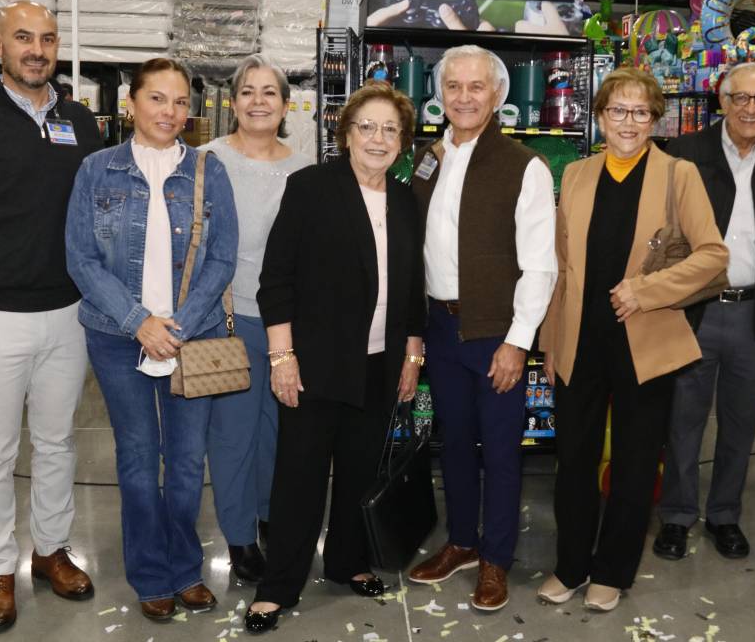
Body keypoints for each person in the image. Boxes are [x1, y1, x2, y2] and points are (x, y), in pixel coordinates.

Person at [0, 1, 100, 633]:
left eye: (48, 38)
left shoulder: (80, 121)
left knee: (58, 442)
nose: (37, 48)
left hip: (69, 315)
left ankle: (50, 550)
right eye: (24, 37)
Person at [536, 67, 728, 611]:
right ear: (598, 117)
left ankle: (612, 571)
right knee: (572, 460)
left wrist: (648, 290)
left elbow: (714, 256)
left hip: (644, 341)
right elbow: (563, 268)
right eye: (617, 110)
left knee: (635, 462)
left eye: (640, 112)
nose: (628, 121)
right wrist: (552, 343)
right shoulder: (576, 174)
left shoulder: (677, 175)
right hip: (579, 341)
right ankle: (570, 564)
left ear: (655, 119)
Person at [242, 82, 426, 633]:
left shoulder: (405, 199)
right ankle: (279, 586)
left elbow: (412, 284)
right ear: (345, 134)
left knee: (358, 472)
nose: (378, 138)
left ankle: (348, 562)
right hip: (315, 363)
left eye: (390, 129)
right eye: (366, 126)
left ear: (403, 142)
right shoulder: (311, 188)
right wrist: (282, 356)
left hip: (379, 362)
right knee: (298, 477)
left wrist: (412, 353)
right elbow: (277, 279)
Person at [65, 58, 238, 621]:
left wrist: (179, 325)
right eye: (158, 99)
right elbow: (82, 259)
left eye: (181, 101)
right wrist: (139, 320)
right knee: (139, 460)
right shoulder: (96, 170)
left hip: (194, 335)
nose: (170, 111)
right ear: (131, 104)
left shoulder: (208, 171)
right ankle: (150, 574)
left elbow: (221, 259)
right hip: (118, 339)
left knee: (187, 464)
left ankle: (186, 568)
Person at [405, 45, 557, 612]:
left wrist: (518, 341)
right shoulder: (427, 158)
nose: (464, 97)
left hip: (496, 332)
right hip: (440, 329)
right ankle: (463, 543)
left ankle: (496, 557)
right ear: (439, 93)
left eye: (476, 87)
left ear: (498, 95)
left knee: (500, 451)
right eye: (453, 86)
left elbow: (541, 263)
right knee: (455, 448)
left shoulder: (526, 166)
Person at [653, 62, 755, 562]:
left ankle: (724, 515)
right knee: (682, 419)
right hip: (694, 310)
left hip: (754, 315)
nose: (750, 108)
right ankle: (676, 515)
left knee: (741, 423)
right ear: (721, 101)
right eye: (741, 97)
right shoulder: (684, 154)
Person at [203, 55, 315, 583]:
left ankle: (271, 518)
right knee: (233, 437)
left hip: (288, 326)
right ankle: (240, 538)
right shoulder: (205, 161)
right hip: (228, 321)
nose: (258, 102)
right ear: (232, 102)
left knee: (280, 433)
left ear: (286, 105)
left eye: (269, 93)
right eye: (248, 92)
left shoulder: (306, 168)